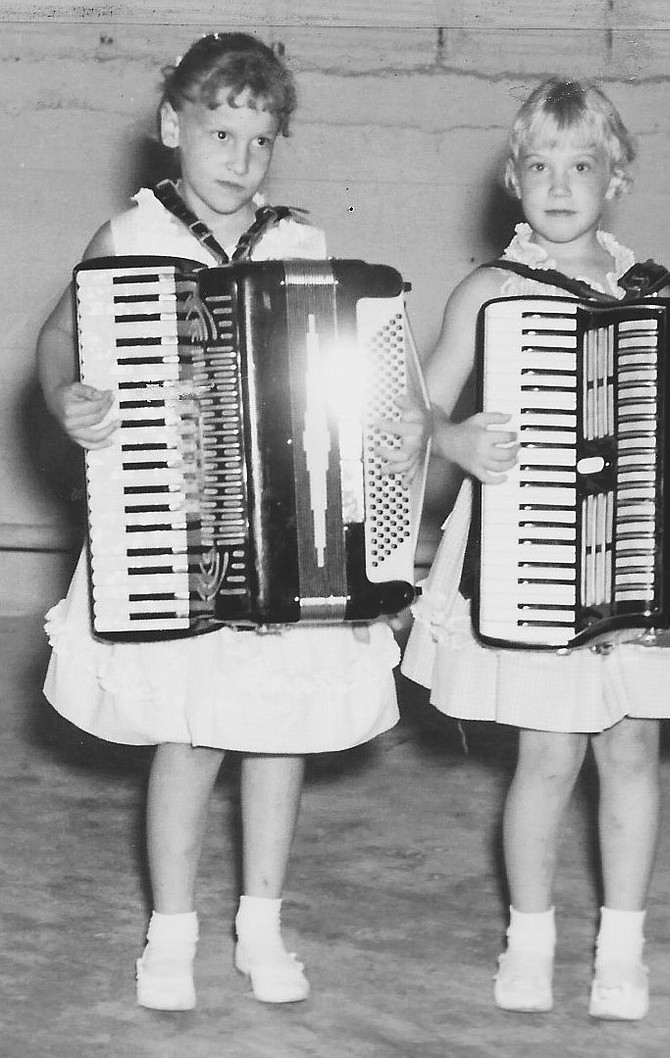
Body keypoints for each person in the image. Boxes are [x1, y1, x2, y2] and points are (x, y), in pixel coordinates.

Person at [37, 32, 420, 1011]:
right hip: (170, 528)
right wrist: (69, 393)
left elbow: (348, 372)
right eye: (219, 132)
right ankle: (171, 930)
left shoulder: (300, 243)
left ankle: (263, 917)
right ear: (173, 127)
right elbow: (57, 335)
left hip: (286, 537)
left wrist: (385, 429)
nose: (239, 158)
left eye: (259, 139)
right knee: (190, 731)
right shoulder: (127, 235)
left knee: (279, 733)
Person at [401, 77, 670, 1021]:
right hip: (529, 560)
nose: (559, 183)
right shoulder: (490, 290)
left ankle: (623, 946)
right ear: (512, 179)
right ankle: (529, 940)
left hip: (644, 565)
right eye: (539, 165)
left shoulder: (656, 296)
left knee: (633, 752)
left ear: (615, 178)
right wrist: (453, 441)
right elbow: (411, 406)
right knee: (547, 756)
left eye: (581, 165)